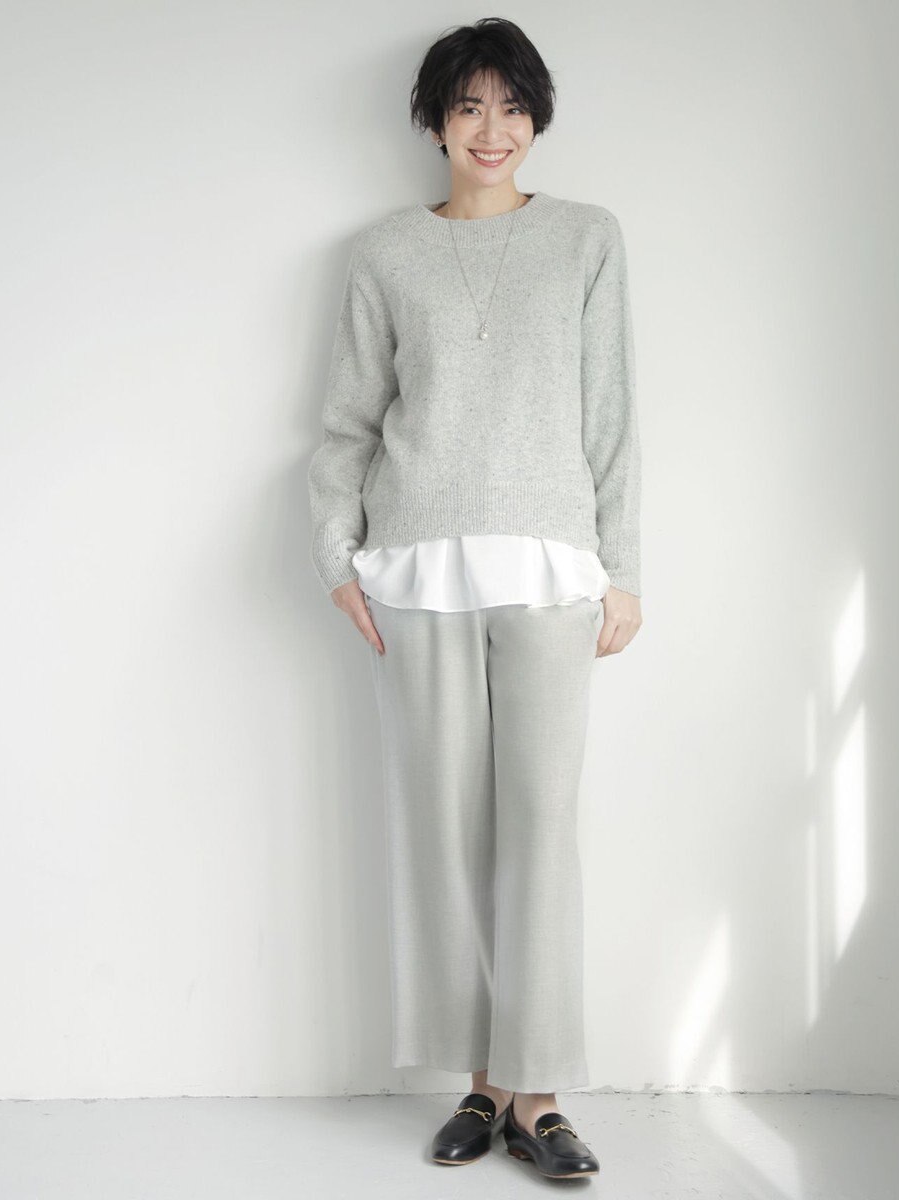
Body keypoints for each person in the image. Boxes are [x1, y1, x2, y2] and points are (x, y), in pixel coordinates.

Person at [307, 16, 642, 1180]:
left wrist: (622, 568)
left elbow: (612, 416)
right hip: (418, 570)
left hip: (551, 570)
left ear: (534, 117)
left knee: (540, 828)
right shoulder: (384, 253)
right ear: (435, 122)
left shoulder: (587, 238)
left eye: (509, 107)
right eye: (466, 108)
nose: (490, 130)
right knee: (444, 833)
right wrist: (338, 561)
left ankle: (537, 1095)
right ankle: (482, 1085)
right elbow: (346, 423)